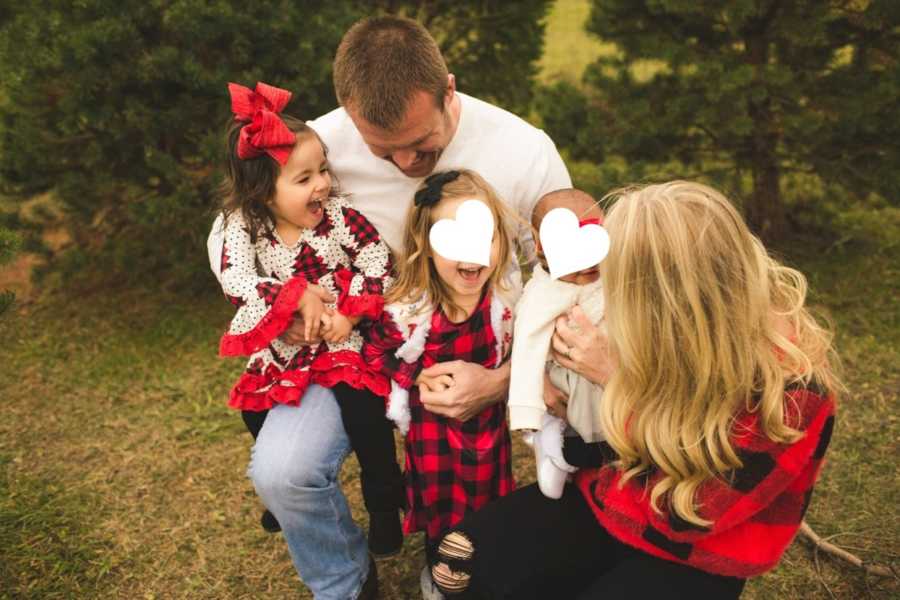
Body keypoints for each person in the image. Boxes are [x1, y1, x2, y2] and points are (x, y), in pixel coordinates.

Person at [207, 15, 571, 600]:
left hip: (474, 350)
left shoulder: (523, 150)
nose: (405, 163)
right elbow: (234, 227)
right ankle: (345, 582)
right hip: (348, 346)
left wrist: (504, 379)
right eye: (384, 151)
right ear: (348, 115)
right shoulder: (312, 149)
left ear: (449, 91)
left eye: (421, 146)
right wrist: (288, 300)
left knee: (495, 470)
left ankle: (487, 554)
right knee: (282, 473)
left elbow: (560, 280)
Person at [426, 181, 839, 599]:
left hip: (695, 548)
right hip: (609, 495)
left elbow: (691, 513)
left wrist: (616, 381)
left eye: (620, 280)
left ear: (682, 295)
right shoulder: (653, 325)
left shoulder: (791, 386)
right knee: (458, 561)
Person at [215, 82, 405, 567]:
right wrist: (290, 298)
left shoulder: (336, 218)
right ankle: (283, 500)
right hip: (289, 343)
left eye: (322, 170)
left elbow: (376, 257)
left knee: (365, 412)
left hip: (342, 336)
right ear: (262, 191)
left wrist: (351, 312)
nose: (321, 184)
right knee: (254, 410)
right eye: (303, 179)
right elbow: (237, 277)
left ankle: (385, 499)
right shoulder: (244, 226)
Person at [363, 170, 519, 594]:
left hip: (488, 438)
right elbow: (374, 353)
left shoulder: (503, 305)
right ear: (426, 249)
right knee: (441, 516)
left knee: (488, 514)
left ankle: (484, 571)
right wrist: (415, 378)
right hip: (435, 445)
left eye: (485, 239)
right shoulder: (410, 312)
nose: (473, 257)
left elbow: (520, 357)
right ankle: (440, 576)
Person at [508, 189, 607, 500]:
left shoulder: (609, 277)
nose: (588, 262)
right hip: (565, 374)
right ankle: (552, 445)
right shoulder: (543, 294)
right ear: (543, 251)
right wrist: (527, 408)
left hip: (607, 368)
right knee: (580, 426)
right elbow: (526, 347)